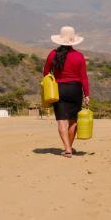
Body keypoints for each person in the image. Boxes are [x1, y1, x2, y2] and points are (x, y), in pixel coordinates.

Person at [43, 26, 90, 158]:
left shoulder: (53, 54)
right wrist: (86, 94)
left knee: (62, 120)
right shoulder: (79, 56)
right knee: (73, 121)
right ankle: (69, 146)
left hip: (59, 89)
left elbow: (46, 73)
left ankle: (67, 148)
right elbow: (84, 77)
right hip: (75, 90)